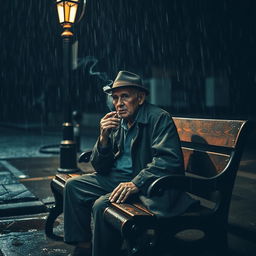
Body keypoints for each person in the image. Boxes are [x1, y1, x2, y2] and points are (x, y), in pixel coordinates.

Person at [63, 70, 196, 256]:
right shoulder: (118, 121)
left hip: (147, 184)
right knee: (73, 186)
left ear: (140, 98)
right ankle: (84, 245)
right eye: (115, 98)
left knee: (102, 205)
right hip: (118, 177)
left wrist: (137, 183)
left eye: (125, 96)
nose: (118, 103)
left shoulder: (158, 118)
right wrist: (103, 138)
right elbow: (100, 167)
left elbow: (169, 160)